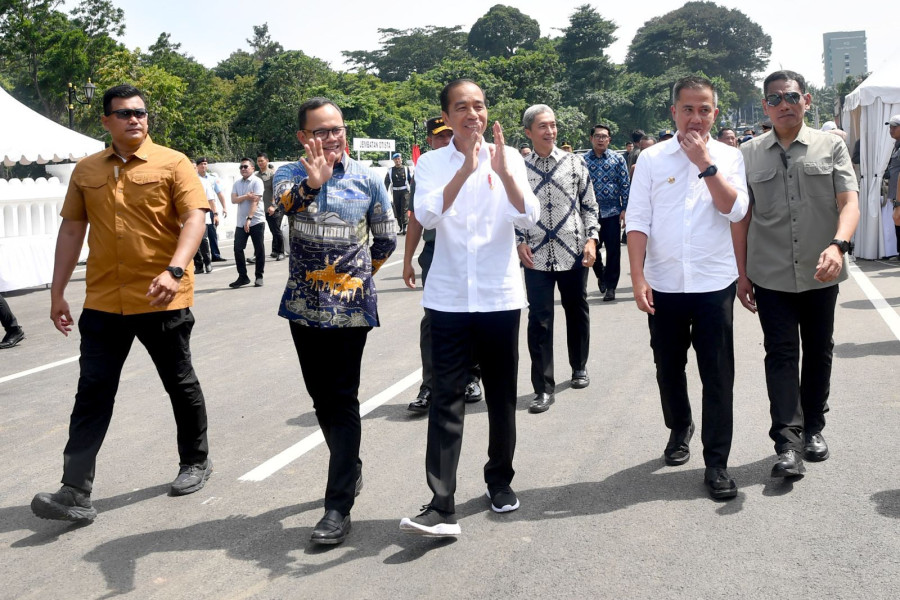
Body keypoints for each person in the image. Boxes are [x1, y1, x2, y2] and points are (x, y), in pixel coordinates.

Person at [31, 84, 212, 523]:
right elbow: (72, 231)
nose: (135, 119)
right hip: (104, 301)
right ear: (106, 121)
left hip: (161, 296)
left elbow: (195, 217)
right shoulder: (87, 169)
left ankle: (195, 460)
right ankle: (74, 489)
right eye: (124, 113)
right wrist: (58, 291)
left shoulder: (173, 162)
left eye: (141, 112)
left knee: (179, 381)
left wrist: (174, 270)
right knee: (92, 392)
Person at [399, 79, 539, 537]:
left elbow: (529, 216)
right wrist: (466, 170)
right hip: (449, 300)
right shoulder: (434, 163)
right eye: (462, 107)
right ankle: (441, 505)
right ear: (447, 114)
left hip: (499, 297)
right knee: (446, 400)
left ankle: (499, 480)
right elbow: (428, 215)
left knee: (501, 398)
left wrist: (502, 172)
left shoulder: (510, 157)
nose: (472, 114)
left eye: (478, 106)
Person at [270, 97, 396, 545]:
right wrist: (311, 183)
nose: (331, 138)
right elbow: (279, 209)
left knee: (342, 398)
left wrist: (353, 279)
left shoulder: (368, 178)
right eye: (321, 131)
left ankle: (337, 506)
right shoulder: (287, 173)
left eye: (337, 129)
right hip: (303, 307)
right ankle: (352, 464)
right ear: (303, 137)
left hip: (350, 308)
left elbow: (385, 237)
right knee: (321, 397)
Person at [626, 75, 748, 501]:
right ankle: (679, 427)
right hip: (664, 284)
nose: (696, 117)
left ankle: (717, 462)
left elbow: (735, 209)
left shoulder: (731, 157)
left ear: (716, 112)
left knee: (717, 374)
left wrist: (705, 164)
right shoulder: (652, 160)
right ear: (673, 111)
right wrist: (638, 277)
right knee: (668, 366)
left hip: (714, 282)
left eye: (705, 109)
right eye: (688, 109)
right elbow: (638, 221)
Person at [734, 70, 859, 479]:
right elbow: (742, 219)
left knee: (820, 348)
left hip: (821, 270)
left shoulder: (831, 146)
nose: (783, 104)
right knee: (782, 354)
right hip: (769, 274)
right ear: (765, 106)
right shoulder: (747, 154)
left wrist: (838, 245)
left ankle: (814, 429)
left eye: (791, 96)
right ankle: (787, 443)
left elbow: (849, 204)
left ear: (806, 100)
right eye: (774, 99)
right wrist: (742, 273)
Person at [518, 105, 598, 414]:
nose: (550, 131)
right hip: (535, 254)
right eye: (542, 126)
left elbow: (589, 204)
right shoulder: (519, 168)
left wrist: (592, 239)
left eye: (552, 125)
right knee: (539, 319)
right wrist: (518, 242)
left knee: (576, 309)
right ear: (528, 132)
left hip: (573, 249)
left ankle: (579, 366)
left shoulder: (574, 163)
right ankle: (543, 388)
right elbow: (513, 210)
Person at [403, 116, 483, 413]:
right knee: (433, 320)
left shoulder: (478, 160)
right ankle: (430, 384)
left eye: (450, 134)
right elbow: (417, 219)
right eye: (439, 136)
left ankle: (472, 377)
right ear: (430, 140)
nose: (446, 140)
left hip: (471, 250)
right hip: (436, 252)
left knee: (473, 313)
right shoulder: (427, 167)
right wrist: (408, 259)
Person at [583, 123, 630, 302]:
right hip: (589, 213)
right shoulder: (583, 160)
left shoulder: (617, 159)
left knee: (613, 251)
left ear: (609, 139)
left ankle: (611, 287)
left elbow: (625, 184)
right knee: (591, 248)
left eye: (604, 136)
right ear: (591, 138)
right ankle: (601, 274)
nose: (601, 139)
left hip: (612, 212)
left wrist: (625, 208)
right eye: (597, 136)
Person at [229, 158, 265, 288]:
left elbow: (255, 201)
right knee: (238, 249)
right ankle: (243, 277)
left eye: (245, 167)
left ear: (252, 168)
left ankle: (259, 276)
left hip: (256, 221)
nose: (243, 169)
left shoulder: (257, 182)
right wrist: (245, 196)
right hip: (241, 222)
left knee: (259, 249)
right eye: (241, 167)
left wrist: (249, 219)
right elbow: (233, 200)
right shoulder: (237, 183)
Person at [196, 157, 227, 262]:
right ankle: (202, 258)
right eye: (201, 164)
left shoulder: (212, 178)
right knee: (201, 236)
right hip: (200, 209)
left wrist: (224, 207)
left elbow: (219, 193)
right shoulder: (195, 178)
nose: (203, 166)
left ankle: (215, 255)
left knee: (212, 233)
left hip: (211, 209)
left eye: (205, 164)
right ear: (197, 166)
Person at [257, 152, 284, 261]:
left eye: (262, 161)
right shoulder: (256, 176)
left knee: (276, 230)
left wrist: (274, 205)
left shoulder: (273, 175)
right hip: (262, 208)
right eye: (258, 161)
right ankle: (274, 251)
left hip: (274, 208)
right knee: (271, 230)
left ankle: (281, 252)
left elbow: (277, 191)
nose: (260, 163)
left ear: (267, 161)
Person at [384, 152, 413, 235]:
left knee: (404, 209)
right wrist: (384, 193)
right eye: (396, 159)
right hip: (396, 192)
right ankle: (400, 227)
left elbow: (411, 180)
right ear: (393, 160)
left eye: (399, 159)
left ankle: (404, 227)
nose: (397, 161)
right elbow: (386, 182)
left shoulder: (406, 169)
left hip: (405, 192)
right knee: (397, 210)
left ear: (401, 159)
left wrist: (413, 190)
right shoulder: (390, 171)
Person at [887, 115, 900, 253]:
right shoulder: (896, 146)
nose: (891, 129)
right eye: (890, 127)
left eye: (894, 127)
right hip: (896, 192)